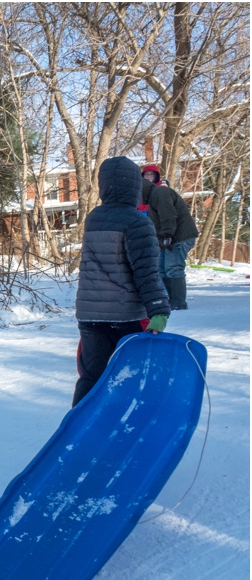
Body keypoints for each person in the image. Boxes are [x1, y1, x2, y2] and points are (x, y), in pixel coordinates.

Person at [72, 157, 171, 407]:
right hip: (126, 316)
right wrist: (159, 310)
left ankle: (77, 430)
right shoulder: (138, 222)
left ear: (103, 185)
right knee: (131, 376)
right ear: (135, 187)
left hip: (90, 315)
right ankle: (126, 427)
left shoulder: (94, 217)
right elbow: (146, 272)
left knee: (91, 376)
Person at [140, 164, 199, 310]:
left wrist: (167, 235)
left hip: (180, 236)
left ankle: (178, 303)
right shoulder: (154, 196)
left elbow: (168, 215)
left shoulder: (160, 192)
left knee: (173, 268)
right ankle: (170, 300)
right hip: (168, 237)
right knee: (161, 269)